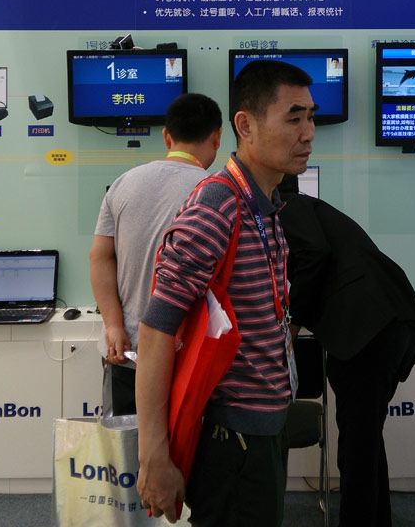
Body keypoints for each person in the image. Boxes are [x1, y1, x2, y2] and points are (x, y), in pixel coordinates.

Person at [136, 59, 317, 527]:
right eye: (293, 118)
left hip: (265, 426)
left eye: (310, 117)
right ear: (245, 126)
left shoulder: (267, 204)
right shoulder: (218, 205)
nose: (308, 133)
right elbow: (155, 330)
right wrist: (153, 455)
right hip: (232, 441)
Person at [278, 175, 415, 527]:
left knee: (357, 452)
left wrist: (293, 323)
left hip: (368, 334)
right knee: (365, 445)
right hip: (385, 329)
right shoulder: (313, 209)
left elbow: (315, 254)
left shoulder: (287, 207)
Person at [88, 92, 222, 417]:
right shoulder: (217, 191)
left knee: (128, 446)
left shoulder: (123, 183)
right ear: (217, 138)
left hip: (126, 352)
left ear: (166, 136)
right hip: (190, 360)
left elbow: (100, 257)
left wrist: (113, 326)